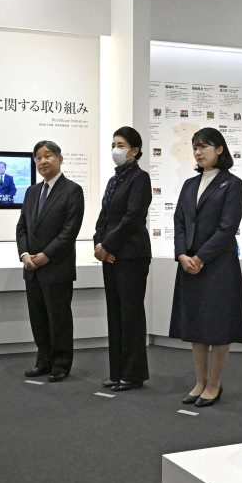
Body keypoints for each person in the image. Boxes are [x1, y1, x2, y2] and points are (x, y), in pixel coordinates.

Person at [169, 127, 242, 407]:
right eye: (195, 147)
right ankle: (199, 381)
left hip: (218, 265)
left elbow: (227, 228)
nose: (198, 152)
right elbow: (179, 222)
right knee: (195, 325)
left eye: (204, 146)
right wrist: (182, 254)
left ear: (219, 149)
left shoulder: (233, 184)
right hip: (189, 263)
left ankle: (214, 384)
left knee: (218, 326)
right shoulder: (189, 184)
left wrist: (200, 257)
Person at [16, 140, 84, 382]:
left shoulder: (72, 190)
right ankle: (43, 361)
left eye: (48, 156)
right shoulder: (32, 192)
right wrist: (25, 254)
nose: (42, 161)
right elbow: (22, 227)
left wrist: (46, 255)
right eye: (38, 157)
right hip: (32, 268)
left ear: (60, 159)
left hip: (56, 266)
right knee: (38, 318)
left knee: (59, 319)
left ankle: (61, 364)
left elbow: (69, 231)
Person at [93, 126, 152, 391]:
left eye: (120, 145)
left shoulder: (140, 178)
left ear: (134, 150)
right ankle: (117, 372)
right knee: (115, 314)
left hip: (131, 256)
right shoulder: (113, 180)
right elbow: (103, 217)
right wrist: (98, 243)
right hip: (110, 256)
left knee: (130, 315)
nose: (115, 150)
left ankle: (133, 374)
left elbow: (132, 218)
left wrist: (107, 245)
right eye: (113, 145)